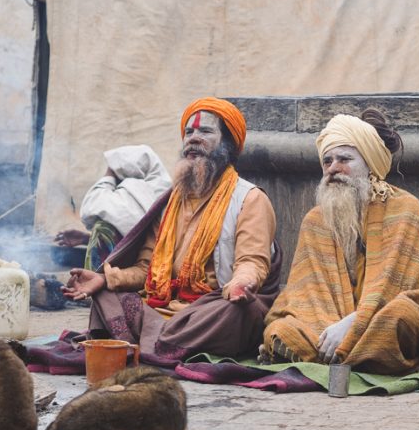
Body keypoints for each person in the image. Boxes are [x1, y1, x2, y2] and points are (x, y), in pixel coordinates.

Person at [62, 97, 281, 363]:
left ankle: (147, 342)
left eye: (205, 131)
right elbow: (146, 270)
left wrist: (240, 284)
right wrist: (106, 279)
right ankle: (160, 341)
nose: (193, 138)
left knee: (235, 313)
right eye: (189, 132)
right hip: (162, 306)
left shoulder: (249, 199)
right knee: (106, 295)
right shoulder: (171, 202)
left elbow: (252, 261)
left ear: (227, 144)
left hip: (208, 308)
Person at [262, 109, 419, 374]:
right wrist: (329, 326)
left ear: (369, 165)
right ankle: (386, 361)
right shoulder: (315, 219)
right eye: (327, 161)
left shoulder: (405, 207)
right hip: (328, 322)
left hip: (381, 313)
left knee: (402, 317)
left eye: (344, 159)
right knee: (280, 331)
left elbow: (397, 285)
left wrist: (352, 323)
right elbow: (305, 292)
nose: (333, 168)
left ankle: (344, 358)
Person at [55, 145, 171, 272]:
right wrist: (86, 239)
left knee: (102, 227)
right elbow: (128, 238)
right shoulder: (164, 190)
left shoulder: (136, 192)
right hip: (135, 276)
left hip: (132, 280)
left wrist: (110, 174)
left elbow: (92, 204)